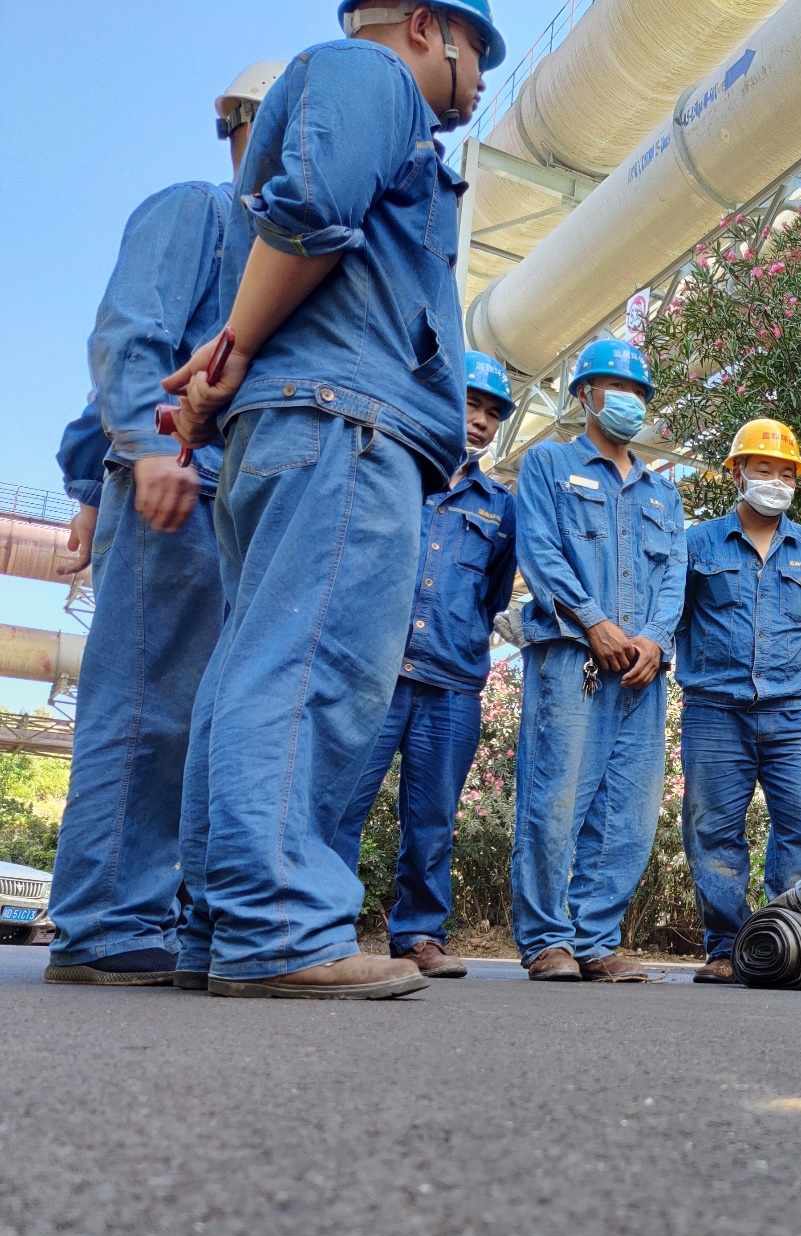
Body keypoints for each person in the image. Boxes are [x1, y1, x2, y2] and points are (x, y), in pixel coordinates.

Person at [164, 0, 508, 1001]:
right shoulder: (371, 75)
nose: (480, 79)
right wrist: (231, 353)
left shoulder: (342, 85)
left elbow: (301, 228)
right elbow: (313, 210)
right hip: (347, 423)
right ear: (424, 26)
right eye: (477, 51)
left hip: (305, 419)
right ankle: (278, 926)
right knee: (312, 665)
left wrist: (230, 355)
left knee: (254, 663)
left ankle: (220, 925)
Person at [42, 61, 285, 987]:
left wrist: (89, 482)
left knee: (200, 723)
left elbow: (96, 403)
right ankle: (103, 924)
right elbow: (126, 338)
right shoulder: (200, 211)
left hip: (230, 502)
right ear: (253, 127)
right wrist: (144, 452)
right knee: (146, 707)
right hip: (179, 484)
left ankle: (163, 916)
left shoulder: (279, 253)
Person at [329, 351, 520, 980]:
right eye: (471, 404)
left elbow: (493, 594)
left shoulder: (500, 507)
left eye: (493, 413)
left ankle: (419, 935)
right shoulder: (391, 471)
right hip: (372, 671)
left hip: (452, 683)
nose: (481, 421)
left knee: (433, 818)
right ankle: (325, 930)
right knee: (340, 805)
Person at [507, 339, 685, 983]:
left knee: (628, 812)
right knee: (554, 799)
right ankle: (546, 940)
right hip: (571, 659)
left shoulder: (663, 495)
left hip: (642, 670)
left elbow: (675, 576)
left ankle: (595, 940)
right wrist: (593, 621)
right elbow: (539, 549)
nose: (629, 401)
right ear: (584, 395)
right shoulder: (549, 463)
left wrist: (655, 639)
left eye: (638, 392)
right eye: (616, 388)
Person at [677, 419, 801, 983]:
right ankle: (726, 947)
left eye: (785, 474)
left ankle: (791, 945)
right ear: (738, 474)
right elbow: (676, 617)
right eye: (763, 469)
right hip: (715, 712)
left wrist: (793, 675)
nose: (775, 481)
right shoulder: (698, 543)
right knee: (712, 830)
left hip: (795, 715)